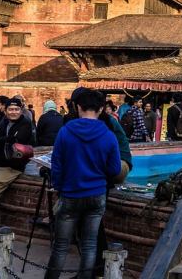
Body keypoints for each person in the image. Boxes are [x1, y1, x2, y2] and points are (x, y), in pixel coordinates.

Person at [46, 88, 121, 279]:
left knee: (61, 246)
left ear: (78, 107)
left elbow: (57, 165)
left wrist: (59, 186)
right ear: (101, 109)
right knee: (90, 245)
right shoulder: (108, 136)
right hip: (96, 194)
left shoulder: (65, 132)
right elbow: (114, 170)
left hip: (70, 193)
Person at [0, 98, 34, 244]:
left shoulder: (25, 124)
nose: (13, 112)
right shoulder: (3, 121)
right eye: (11, 109)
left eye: (16, 109)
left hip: (12, 167)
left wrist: (0, 140)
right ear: (6, 110)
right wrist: (4, 139)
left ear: (21, 110)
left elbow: (16, 140)